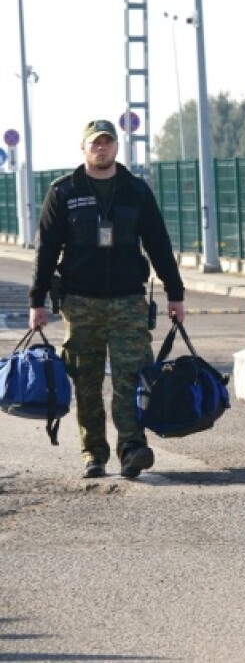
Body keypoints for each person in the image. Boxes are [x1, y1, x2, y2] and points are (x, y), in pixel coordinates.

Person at [28, 119, 187, 480]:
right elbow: (47, 250)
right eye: (95, 143)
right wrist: (37, 302)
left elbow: (159, 245)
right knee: (86, 381)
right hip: (80, 302)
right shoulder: (63, 192)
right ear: (83, 148)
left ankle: (131, 448)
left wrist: (174, 294)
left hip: (129, 300)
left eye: (108, 143)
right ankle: (94, 454)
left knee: (130, 377)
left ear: (116, 147)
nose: (102, 149)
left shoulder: (135, 191)